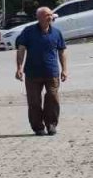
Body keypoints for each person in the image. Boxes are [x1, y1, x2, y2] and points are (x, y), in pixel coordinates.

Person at [14, 7, 68, 136]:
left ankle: (51, 125)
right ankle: (38, 127)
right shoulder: (28, 31)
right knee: (34, 102)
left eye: (51, 15)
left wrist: (64, 69)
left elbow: (62, 51)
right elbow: (21, 49)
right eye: (46, 15)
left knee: (53, 98)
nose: (50, 17)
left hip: (52, 72)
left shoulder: (56, 33)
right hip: (33, 73)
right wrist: (19, 68)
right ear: (39, 18)